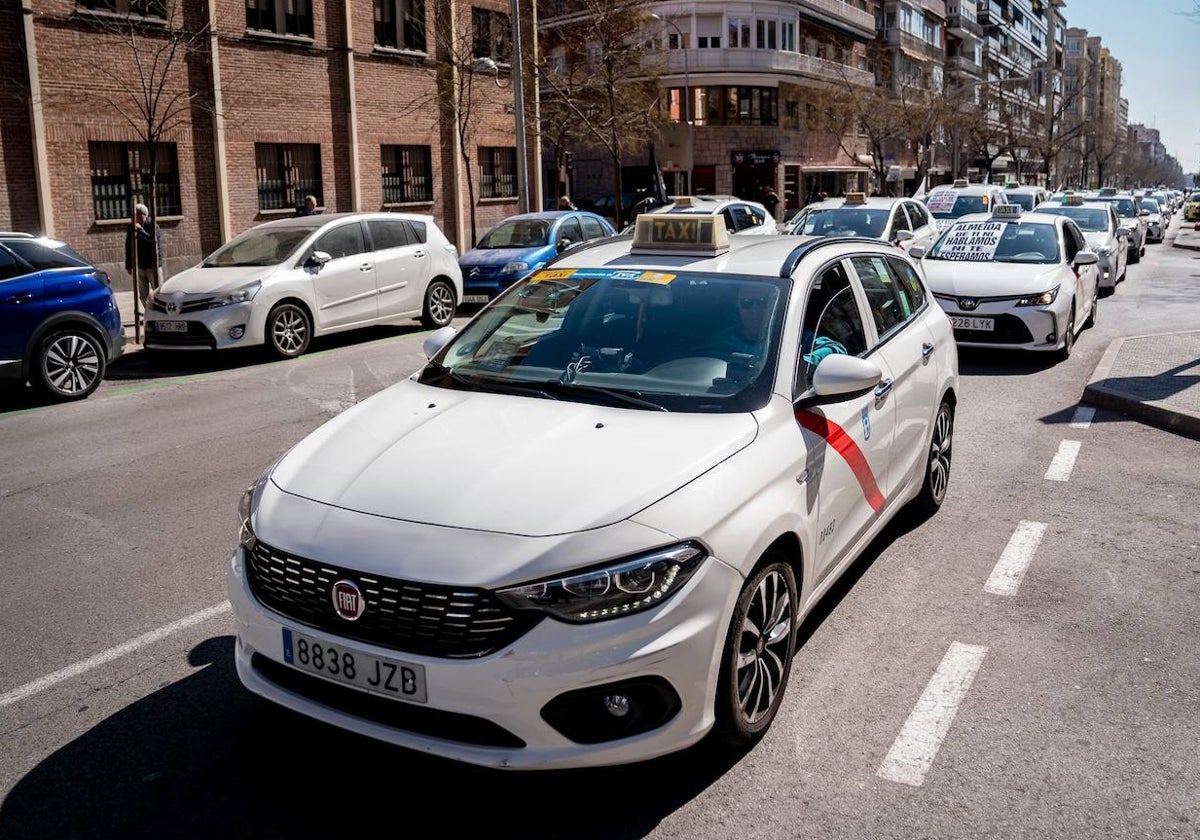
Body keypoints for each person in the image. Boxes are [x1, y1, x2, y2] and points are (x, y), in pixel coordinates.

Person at [125, 203, 162, 307]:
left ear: (143, 215)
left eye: (135, 214)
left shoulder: (153, 226)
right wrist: (128, 264)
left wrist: (140, 230)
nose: (133, 217)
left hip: (152, 265)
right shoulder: (131, 227)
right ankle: (148, 313)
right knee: (143, 295)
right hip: (140, 265)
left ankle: (159, 314)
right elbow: (128, 246)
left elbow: (153, 242)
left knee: (158, 292)